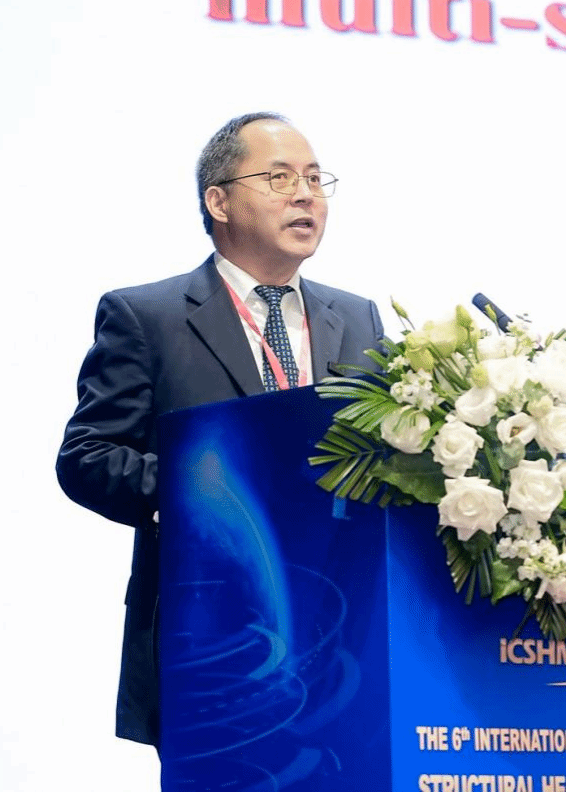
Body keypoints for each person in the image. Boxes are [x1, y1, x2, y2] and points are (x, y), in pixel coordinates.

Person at [56, 112, 384, 748]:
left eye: (316, 179)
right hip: (209, 637)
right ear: (219, 201)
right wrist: (204, 499)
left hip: (347, 637)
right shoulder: (146, 316)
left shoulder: (358, 318)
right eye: (280, 178)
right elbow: (87, 456)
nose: (305, 195)